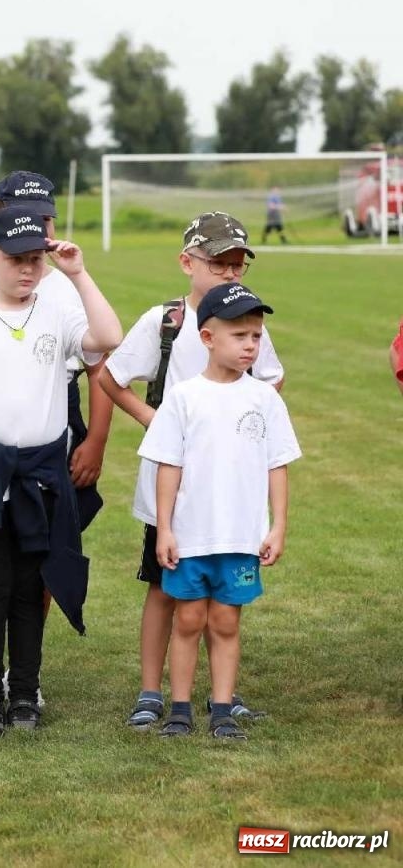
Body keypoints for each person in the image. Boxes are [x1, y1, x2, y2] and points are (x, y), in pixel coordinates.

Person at [0, 208, 121, 737]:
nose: (27, 270)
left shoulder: (58, 315)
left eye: (36, 259)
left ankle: (26, 693)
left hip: (41, 477)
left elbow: (110, 337)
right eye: (15, 260)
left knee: (31, 588)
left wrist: (78, 273)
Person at [98, 211, 285, 730]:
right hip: (172, 487)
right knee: (165, 587)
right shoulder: (165, 321)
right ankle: (153, 692)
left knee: (221, 593)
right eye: (219, 262)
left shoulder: (248, 321)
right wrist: (153, 420)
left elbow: (270, 381)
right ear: (188, 262)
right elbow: (112, 376)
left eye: (238, 264)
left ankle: (223, 697)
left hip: (227, 490)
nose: (230, 273)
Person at [142, 284, 299, 740]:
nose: (250, 345)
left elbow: (277, 465)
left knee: (226, 620)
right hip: (192, 535)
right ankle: (180, 708)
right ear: (208, 338)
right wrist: (165, 528)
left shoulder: (265, 399)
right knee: (188, 618)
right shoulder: (184, 398)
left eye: (256, 336)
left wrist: (279, 525)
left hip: (241, 537)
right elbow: (168, 466)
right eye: (239, 336)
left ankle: (225, 708)